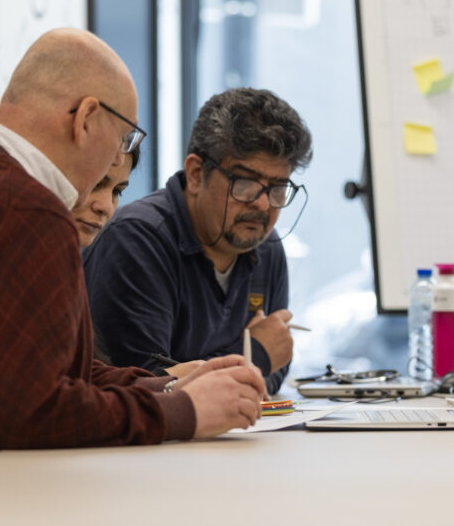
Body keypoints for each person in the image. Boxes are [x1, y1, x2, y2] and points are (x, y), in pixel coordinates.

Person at [0, 29, 266, 486]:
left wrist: (169, 387)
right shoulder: (27, 209)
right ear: (86, 118)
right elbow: (38, 415)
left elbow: (52, 371)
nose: (118, 158)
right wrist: (184, 412)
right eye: (123, 138)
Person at [84, 88, 312, 394]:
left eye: (278, 188)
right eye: (245, 183)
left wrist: (256, 361)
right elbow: (145, 389)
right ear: (195, 173)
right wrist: (254, 355)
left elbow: (274, 367)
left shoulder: (266, 246)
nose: (262, 204)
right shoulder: (137, 239)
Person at [71, 146, 202, 378]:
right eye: (95, 184)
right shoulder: (136, 233)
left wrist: (168, 384)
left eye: (117, 191)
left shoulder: (264, 245)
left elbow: (88, 377)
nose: (106, 207)